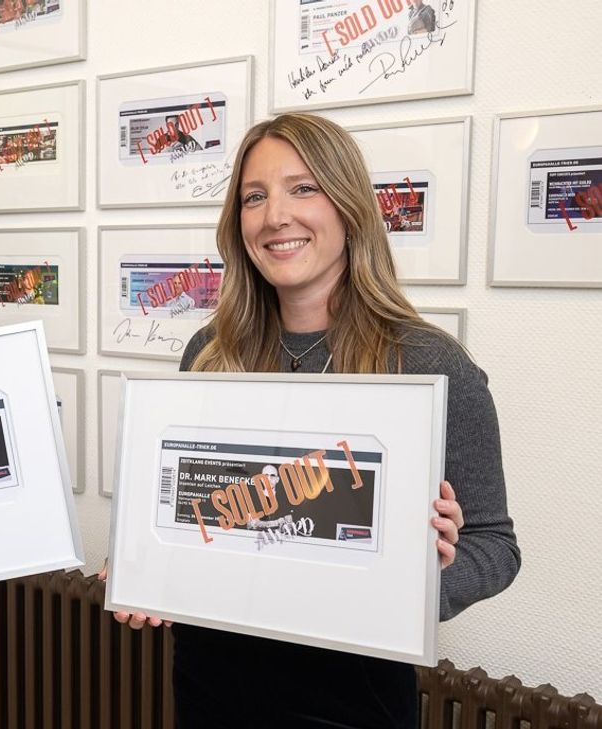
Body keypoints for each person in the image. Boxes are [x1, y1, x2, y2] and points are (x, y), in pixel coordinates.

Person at [105, 113, 520, 728]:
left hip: (350, 704)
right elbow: (189, 516)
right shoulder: (209, 354)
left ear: (349, 207)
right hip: (209, 687)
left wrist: (418, 577)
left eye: (304, 189)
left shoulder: (428, 364)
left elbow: (495, 544)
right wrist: (146, 568)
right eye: (255, 196)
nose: (276, 216)